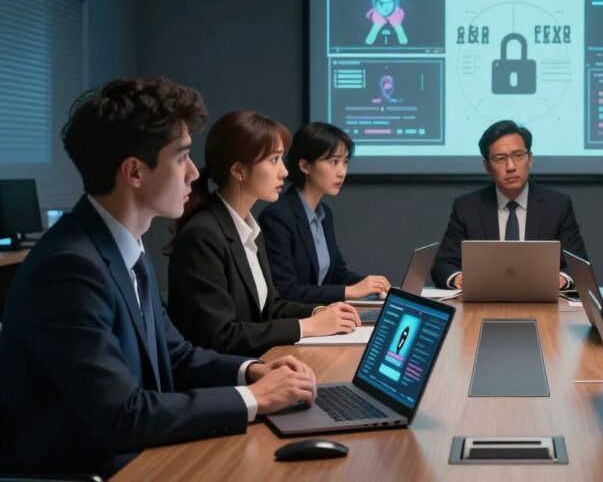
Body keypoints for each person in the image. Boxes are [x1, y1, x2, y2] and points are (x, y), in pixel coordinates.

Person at [0, 78, 318, 476]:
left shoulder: (124, 246)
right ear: (133, 171)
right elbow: (123, 415)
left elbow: (175, 355)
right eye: (181, 157)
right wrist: (251, 399)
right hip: (97, 469)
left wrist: (252, 370)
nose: (193, 173)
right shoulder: (68, 268)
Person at [167, 111, 361, 357]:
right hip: (223, 380)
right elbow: (219, 336)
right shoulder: (203, 235)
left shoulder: (248, 229)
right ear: (239, 170)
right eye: (274, 160)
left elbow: (270, 307)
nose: (284, 172)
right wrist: (307, 326)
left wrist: (316, 313)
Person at [430, 120, 588, 290]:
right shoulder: (467, 207)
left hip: (542, 301)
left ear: (530, 159)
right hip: (484, 301)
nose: (511, 167)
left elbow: (578, 264)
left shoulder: (557, 205)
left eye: (518, 156)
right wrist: (458, 278)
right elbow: (442, 265)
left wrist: (562, 278)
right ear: (487, 167)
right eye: (500, 159)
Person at [259, 122, 389, 304]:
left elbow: (337, 273)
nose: (341, 172)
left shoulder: (324, 213)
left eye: (345, 162)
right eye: (333, 162)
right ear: (305, 166)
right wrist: (350, 291)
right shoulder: (277, 216)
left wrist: (372, 285)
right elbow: (286, 291)